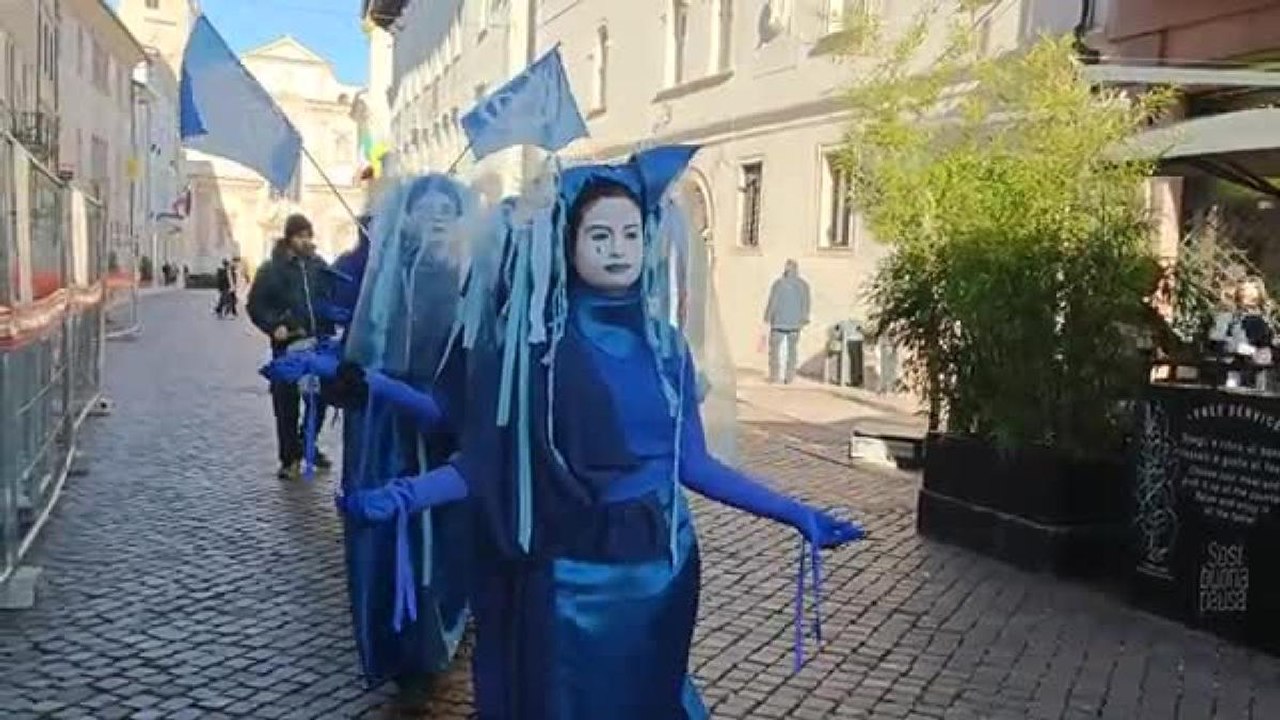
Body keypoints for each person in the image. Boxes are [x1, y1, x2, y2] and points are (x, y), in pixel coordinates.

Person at [274, 148, 863, 718]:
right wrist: (401, 497)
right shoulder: (535, 353)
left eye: (631, 235)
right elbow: (485, 464)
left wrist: (794, 514)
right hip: (569, 576)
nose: (618, 250)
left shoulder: (665, 346)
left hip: (664, 572)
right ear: (569, 242)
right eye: (600, 236)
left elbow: (694, 465)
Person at [247, 214, 336, 480]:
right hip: (288, 346)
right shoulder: (271, 270)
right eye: (300, 235)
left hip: (317, 343)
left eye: (308, 235)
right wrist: (274, 325)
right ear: (289, 238)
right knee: (286, 403)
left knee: (319, 399)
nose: (305, 240)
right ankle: (289, 458)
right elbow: (255, 305)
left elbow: (330, 296)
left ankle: (306, 444)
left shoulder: (318, 266)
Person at [764, 259, 811, 384]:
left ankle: (774, 376)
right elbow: (806, 304)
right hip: (795, 324)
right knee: (792, 350)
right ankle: (789, 377)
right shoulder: (803, 285)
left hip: (778, 322)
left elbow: (773, 301)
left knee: (774, 351)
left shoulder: (778, 284)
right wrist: (804, 319)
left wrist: (767, 317)